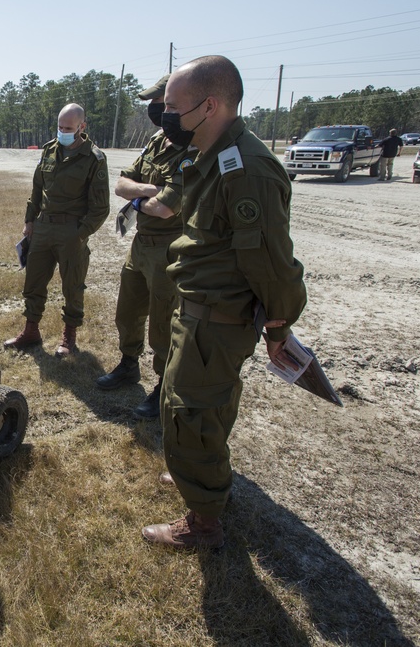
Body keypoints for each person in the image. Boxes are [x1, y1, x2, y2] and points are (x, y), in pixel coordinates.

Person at [141, 56, 307, 549]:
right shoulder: (213, 155)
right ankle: (200, 475)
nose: (163, 115)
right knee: (196, 403)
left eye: (171, 107)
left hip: (217, 319)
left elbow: (273, 265)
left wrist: (278, 328)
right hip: (196, 309)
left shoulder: (247, 170)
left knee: (192, 411)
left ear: (208, 105)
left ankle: (204, 519)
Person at [96, 75, 196, 419]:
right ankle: (128, 364)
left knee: (164, 323)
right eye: (156, 104)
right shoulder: (156, 140)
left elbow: (167, 208)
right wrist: (148, 192)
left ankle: (163, 387)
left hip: (169, 248)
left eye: (163, 104)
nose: (157, 110)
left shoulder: (191, 149)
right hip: (141, 243)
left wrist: (141, 196)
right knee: (128, 311)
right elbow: (121, 184)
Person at [3, 103, 110, 357]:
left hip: (71, 230)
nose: (63, 132)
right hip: (43, 226)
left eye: (68, 128)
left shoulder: (94, 158)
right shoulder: (50, 149)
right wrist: (30, 221)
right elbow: (37, 188)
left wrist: (81, 233)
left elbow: (101, 207)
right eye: (60, 127)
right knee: (34, 281)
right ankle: (31, 331)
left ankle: (69, 337)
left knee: (72, 286)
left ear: (82, 127)